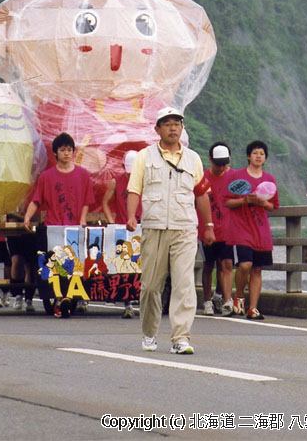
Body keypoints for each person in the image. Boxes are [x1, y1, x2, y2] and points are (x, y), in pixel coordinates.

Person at [126, 107, 215, 354]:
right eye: (167, 124)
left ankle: (181, 338)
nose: (173, 128)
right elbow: (134, 188)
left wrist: (208, 226)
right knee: (152, 285)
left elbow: (202, 195)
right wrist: (132, 216)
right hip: (154, 227)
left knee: (184, 283)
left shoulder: (193, 159)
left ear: (182, 128)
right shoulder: (145, 156)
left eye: (177, 123)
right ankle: (149, 332)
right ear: (157, 129)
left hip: (185, 228)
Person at [24, 132, 94, 316]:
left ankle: (68, 299)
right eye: (62, 150)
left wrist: (83, 219)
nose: (66, 153)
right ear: (55, 153)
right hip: (54, 228)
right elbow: (37, 200)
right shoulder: (46, 177)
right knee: (57, 266)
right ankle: (60, 300)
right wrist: (27, 217)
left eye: (69, 149)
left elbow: (87, 200)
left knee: (75, 265)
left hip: (75, 229)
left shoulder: (83, 174)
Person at [223, 140, 279, 321]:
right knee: (245, 264)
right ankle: (239, 295)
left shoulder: (269, 179)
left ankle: (253, 308)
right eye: (255, 153)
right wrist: (244, 201)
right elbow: (227, 201)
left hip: (261, 229)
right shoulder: (237, 177)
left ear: (265, 158)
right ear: (248, 156)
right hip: (241, 228)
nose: (258, 156)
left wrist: (264, 203)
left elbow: (274, 206)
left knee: (257, 269)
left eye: (261, 154)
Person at [101, 149, 142, 318]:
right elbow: (105, 202)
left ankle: (138, 299)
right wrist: (111, 221)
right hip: (122, 228)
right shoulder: (116, 182)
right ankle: (127, 302)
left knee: (140, 265)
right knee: (125, 264)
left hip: (141, 227)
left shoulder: (145, 181)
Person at [199, 142, 235, 316]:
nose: (221, 167)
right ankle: (206, 301)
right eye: (217, 163)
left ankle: (219, 295)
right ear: (210, 160)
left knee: (225, 264)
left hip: (227, 229)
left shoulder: (235, 177)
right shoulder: (202, 177)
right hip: (206, 229)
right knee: (208, 264)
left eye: (224, 163)